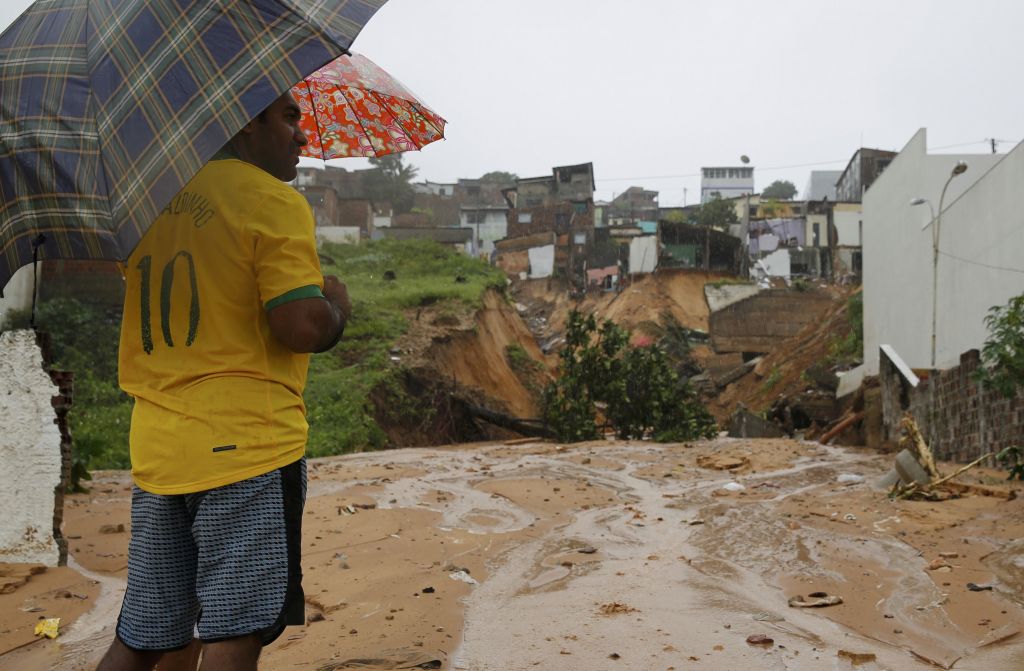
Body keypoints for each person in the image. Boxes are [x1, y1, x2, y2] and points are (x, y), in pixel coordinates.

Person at [97, 90, 351, 671]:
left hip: (159, 453)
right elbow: (299, 325)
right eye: (289, 117)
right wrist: (336, 304)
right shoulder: (272, 201)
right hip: (247, 449)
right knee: (236, 631)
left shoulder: (146, 205)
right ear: (246, 121)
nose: (302, 134)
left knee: (146, 636)